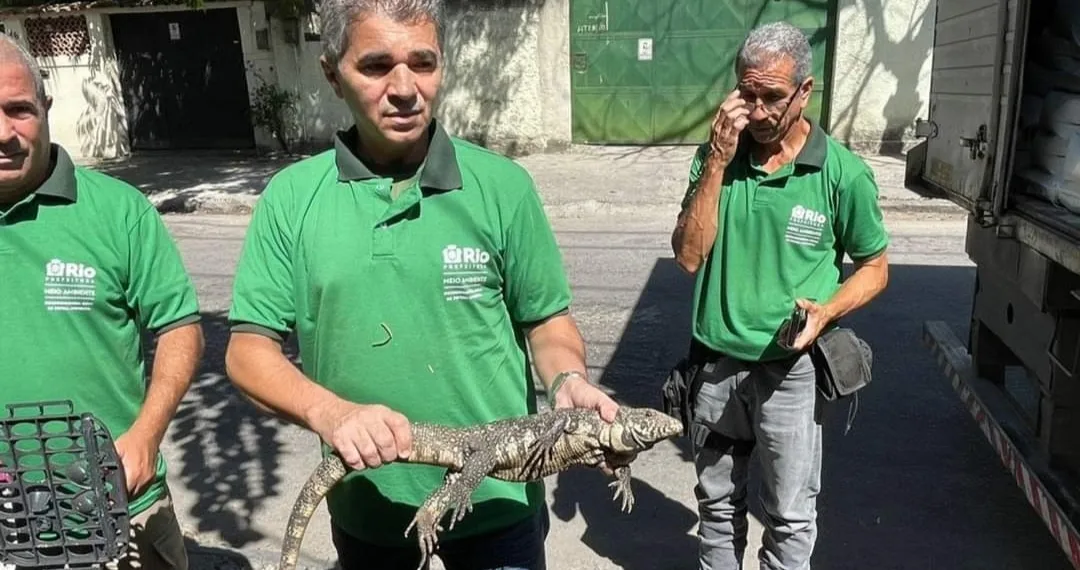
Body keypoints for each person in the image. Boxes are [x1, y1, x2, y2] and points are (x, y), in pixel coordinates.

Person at [223, 0, 618, 568]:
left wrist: (568, 380)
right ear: (333, 74)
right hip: (369, 505)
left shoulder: (503, 187)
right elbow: (248, 353)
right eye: (377, 65)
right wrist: (332, 414)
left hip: (496, 504)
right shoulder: (291, 198)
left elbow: (545, 320)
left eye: (423, 63)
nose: (405, 87)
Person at [670, 22, 890, 570]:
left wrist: (830, 310)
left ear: (805, 92)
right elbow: (688, 255)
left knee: (789, 516)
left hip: (790, 373)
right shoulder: (718, 157)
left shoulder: (841, 173)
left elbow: (875, 267)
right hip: (716, 367)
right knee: (717, 509)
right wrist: (717, 162)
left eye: (773, 97)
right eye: (748, 95)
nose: (760, 111)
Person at [0, 35, 203, 570]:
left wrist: (145, 436)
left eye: (18, 109)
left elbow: (181, 328)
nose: (3, 133)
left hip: (119, 507)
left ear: (46, 107)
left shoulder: (119, 212)